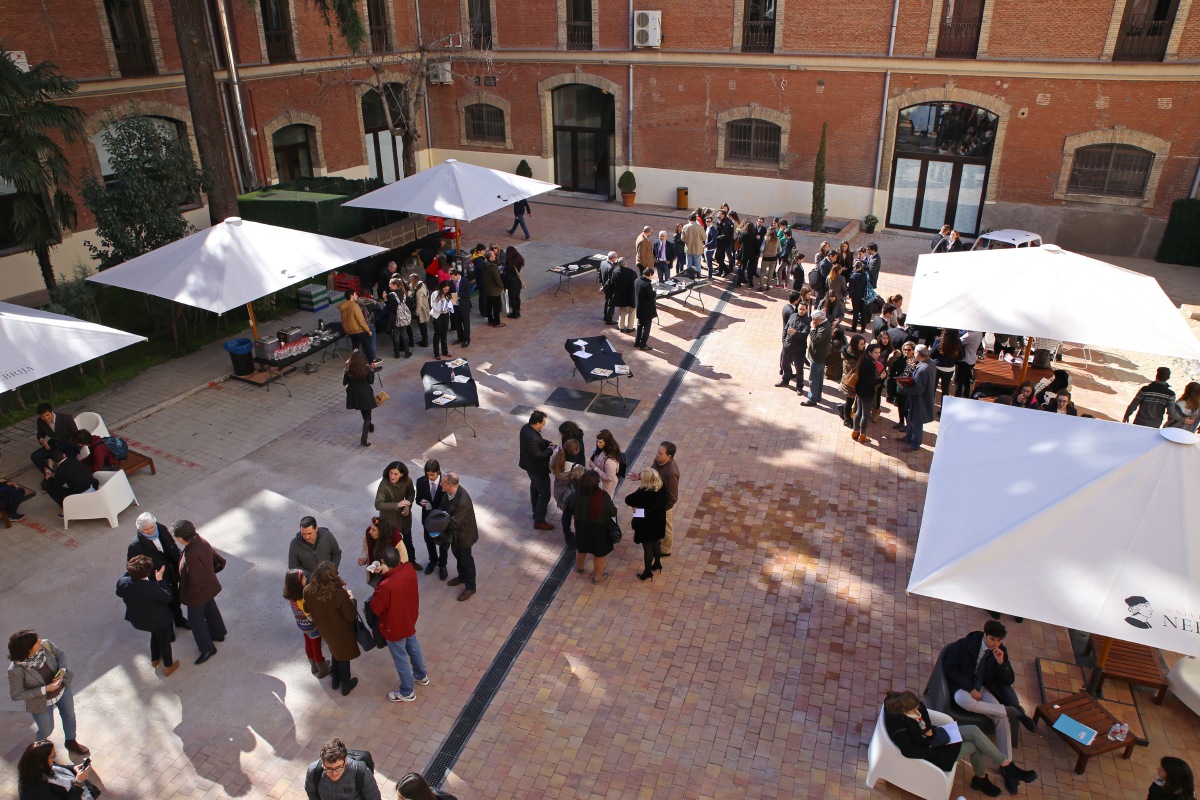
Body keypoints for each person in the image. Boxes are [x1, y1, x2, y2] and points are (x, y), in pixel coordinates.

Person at [883, 690, 1036, 797]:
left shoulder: (914, 705)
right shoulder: (899, 726)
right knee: (975, 746)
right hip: (932, 753)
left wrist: (930, 730)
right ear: (903, 709)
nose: (918, 711)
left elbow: (926, 718)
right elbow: (909, 751)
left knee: (974, 731)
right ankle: (982, 778)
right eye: (914, 710)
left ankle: (1006, 765)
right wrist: (931, 748)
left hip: (936, 737)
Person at [942, 619, 1037, 764]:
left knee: (1001, 718)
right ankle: (1012, 711)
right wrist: (970, 688)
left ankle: (1006, 763)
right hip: (963, 686)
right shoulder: (965, 644)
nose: (995, 644)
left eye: (999, 640)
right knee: (964, 700)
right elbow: (949, 668)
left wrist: (1001, 663)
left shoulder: (1000, 651)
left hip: (984, 689)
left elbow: (1008, 680)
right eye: (992, 639)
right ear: (985, 635)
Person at [7, 631, 89, 756]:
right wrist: (45, 689)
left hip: (62, 689)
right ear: (28, 649)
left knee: (69, 716)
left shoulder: (46, 645)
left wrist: (62, 670)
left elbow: (60, 655)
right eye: (36, 641)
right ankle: (40, 752)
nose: (41, 640)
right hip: (40, 701)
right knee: (46, 729)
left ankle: (71, 741)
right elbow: (16, 694)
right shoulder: (15, 670)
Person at [370, 547, 430, 703]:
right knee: (413, 646)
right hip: (409, 618)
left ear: (383, 562)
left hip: (394, 626)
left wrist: (381, 577)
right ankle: (421, 675)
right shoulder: (408, 568)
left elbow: (376, 607)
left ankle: (407, 691)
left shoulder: (387, 585)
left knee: (400, 658)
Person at [173, 519, 227, 665]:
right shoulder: (200, 541)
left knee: (195, 621)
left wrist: (189, 594)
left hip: (198, 593)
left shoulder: (191, 554)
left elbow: (196, 580)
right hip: (209, 586)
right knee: (210, 608)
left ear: (182, 538)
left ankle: (207, 648)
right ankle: (218, 633)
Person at [303, 562, 361, 696]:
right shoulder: (338, 593)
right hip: (341, 631)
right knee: (343, 656)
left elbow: (307, 609)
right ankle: (346, 684)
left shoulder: (308, 590)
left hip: (324, 629)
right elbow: (351, 615)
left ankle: (335, 679)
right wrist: (351, 599)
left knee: (335, 651)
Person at [115, 555, 178, 676]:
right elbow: (167, 598)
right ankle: (169, 666)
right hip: (159, 621)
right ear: (148, 572)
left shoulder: (123, 582)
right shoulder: (151, 587)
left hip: (139, 621)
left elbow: (119, 592)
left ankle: (155, 659)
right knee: (164, 642)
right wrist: (161, 580)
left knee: (155, 634)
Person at [127, 512, 189, 628]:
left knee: (175, 599)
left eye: (152, 527)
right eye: (146, 529)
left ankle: (179, 620)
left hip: (171, 573)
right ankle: (168, 629)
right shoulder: (135, 546)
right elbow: (133, 566)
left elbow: (172, 546)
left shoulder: (161, 529)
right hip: (156, 579)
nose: (150, 531)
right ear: (140, 530)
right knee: (164, 604)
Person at [568, 470, 617, 583]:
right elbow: (613, 511)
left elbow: (570, 506)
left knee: (581, 548)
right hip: (600, 529)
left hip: (581, 526)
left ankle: (579, 567)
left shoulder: (576, 495)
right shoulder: (603, 496)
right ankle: (597, 576)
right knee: (599, 553)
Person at [632, 441, 679, 557]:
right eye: (658, 452)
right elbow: (651, 472)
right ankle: (648, 536)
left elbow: (673, 496)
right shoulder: (658, 461)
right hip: (651, 499)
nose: (657, 455)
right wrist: (640, 476)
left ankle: (666, 549)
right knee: (642, 517)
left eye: (661, 453)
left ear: (669, 456)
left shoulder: (671, 472)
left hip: (663, 505)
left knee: (666, 527)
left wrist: (662, 508)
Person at [439, 472, 479, 601]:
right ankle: (462, 577)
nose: (440, 484)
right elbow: (442, 507)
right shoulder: (449, 493)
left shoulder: (462, 501)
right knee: (458, 555)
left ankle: (471, 586)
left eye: (443, 483)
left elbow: (454, 523)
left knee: (466, 560)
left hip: (464, 536)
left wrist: (437, 524)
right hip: (456, 535)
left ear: (450, 485)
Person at [283, 569, 330, 679]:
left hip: (302, 625)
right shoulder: (303, 598)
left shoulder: (291, 595)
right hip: (312, 626)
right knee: (316, 646)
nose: (306, 579)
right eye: (304, 578)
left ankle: (313, 666)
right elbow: (312, 612)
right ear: (298, 583)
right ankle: (321, 668)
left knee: (308, 644)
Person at [16, 739, 99, 800]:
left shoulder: (37, 767)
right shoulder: (36, 790)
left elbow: (57, 767)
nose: (54, 759)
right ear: (41, 762)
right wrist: (78, 783)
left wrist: (73, 768)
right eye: (52, 756)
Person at [305, 738, 381, 800]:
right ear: (323, 763)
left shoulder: (362, 773)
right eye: (329, 769)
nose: (334, 774)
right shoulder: (313, 771)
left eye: (338, 768)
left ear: (345, 761)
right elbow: (312, 793)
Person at [624, 468, 665, 581]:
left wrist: (637, 508)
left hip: (646, 523)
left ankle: (647, 572)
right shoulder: (661, 486)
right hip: (658, 522)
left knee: (647, 548)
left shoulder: (644, 493)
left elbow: (628, 499)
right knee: (655, 543)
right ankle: (657, 563)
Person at [375, 462, 418, 566]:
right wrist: (398, 504)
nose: (392, 476)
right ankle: (394, 567)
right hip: (389, 521)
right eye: (391, 473)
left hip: (404, 519)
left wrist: (408, 505)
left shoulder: (407, 480)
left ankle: (411, 563)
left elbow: (411, 493)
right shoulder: (384, 484)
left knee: (408, 542)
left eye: (395, 474)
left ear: (402, 474)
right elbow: (378, 504)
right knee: (391, 547)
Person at [519, 410, 556, 531]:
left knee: (535, 487)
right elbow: (538, 455)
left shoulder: (526, 428)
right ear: (537, 423)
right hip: (537, 469)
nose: (544, 426)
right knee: (545, 494)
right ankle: (539, 520)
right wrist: (550, 450)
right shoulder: (531, 437)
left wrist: (548, 443)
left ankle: (536, 509)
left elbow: (539, 441)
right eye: (543, 423)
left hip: (530, 467)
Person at [901, 344, 937, 451]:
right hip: (922, 399)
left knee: (916, 422)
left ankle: (915, 444)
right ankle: (908, 438)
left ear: (918, 353)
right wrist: (913, 368)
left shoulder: (923, 370)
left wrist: (904, 389)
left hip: (920, 400)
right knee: (912, 418)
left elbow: (918, 389)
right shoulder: (929, 363)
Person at [415, 459, 447, 578]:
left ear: (438, 472)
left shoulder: (445, 481)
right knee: (429, 541)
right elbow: (418, 498)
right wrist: (420, 502)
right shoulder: (421, 481)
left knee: (443, 544)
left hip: (441, 520)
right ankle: (433, 561)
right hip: (427, 519)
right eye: (427, 474)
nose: (429, 477)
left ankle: (442, 565)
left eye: (432, 474)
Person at [551, 440, 584, 547]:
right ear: (575, 451)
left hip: (558, 491)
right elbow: (581, 481)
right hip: (571, 495)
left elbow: (550, 466)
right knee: (575, 515)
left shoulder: (556, 459)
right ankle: (578, 536)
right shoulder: (576, 467)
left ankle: (567, 535)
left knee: (566, 514)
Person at [30, 404, 79, 475]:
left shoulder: (66, 418)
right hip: (53, 444)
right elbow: (40, 434)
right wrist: (41, 440)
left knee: (67, 463)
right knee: (35, 456)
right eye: (43, 416)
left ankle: (68, 475)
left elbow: (75, 434)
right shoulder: (40, 421)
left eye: (47, 415)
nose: (46, 418)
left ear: (51, 412)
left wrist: (64, 446)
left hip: (68, 444)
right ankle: (50, 474)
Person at [343, 351, 378, 448]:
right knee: (367, 416)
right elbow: (371, 381)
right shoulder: (366, 369)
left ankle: (370, 426)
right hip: (365, 394)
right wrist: (371, 370)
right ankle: (364, 440)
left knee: (365, 413)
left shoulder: (349, 370)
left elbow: (344, 382)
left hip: (355, 395)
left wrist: (345, 371)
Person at [851, 342, 884, 444]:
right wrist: (881, 378)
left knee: (858, 412)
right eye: (875, 353)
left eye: (879, 353)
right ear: (870, 352)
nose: (877, 355)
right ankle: (862, 435)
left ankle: (855, 432)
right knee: (865, 415)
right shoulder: (871, 365)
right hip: (867, 392)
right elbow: (871, 382)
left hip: (860, 390)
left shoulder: (863, 360)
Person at [777, 302, 810, 394]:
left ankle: (799, 386)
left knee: (799, 369)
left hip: (799, 349)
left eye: (803, 309)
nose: (801, 311)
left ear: (806, 310)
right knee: (784, 364)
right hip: (787, 346)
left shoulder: (808, 321)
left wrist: (795, 332)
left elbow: (804, 334)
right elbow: (786, 329)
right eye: (800, 309)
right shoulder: (792, 316)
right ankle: (785, 380)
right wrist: (784, 340)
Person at [802, 310, 833, 406]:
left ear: (819, 320)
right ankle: (817, 396)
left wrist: (812, 328)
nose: (812, 321)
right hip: (820, 355)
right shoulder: (824, 325)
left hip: (818, 357)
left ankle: (812, 398)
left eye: (813, 319)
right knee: (819, 378)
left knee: (814, 378)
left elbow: (815, 339)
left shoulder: (823, 328)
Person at [338, 289, 378, 364]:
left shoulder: (343, 306)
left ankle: (355, 364)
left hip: (350, 331)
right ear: (351, 296)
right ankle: (371, 364)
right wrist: (368, 330)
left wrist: (346, 331)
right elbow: (361, 320)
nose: (357, 296)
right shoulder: (354, 305)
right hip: (358, 331)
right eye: (355, 294)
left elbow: (344, 320)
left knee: (355, 349)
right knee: (368, 347)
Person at [360, 517, 402, 585]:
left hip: (390, 578)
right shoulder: (368, 536)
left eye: (374, 530)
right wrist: (364, 557)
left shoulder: (396, 540)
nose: (370, 531)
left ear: (382, 532)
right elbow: (365, 548)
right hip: (375, 577)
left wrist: (383, 568)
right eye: (371, 528)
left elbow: (403, 561)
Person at [385, 277, 413, 359]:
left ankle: (397, 354)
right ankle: (407, 353)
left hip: (394, 318)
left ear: (394, 285)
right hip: (403, 318)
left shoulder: (391, 295)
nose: (389, 285)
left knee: (396, 334)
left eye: (390, 284)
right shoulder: (404, 293)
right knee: (404, 333)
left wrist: (385, 299)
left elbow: (389, 307)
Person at [590, 429, 622, 499]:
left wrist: (594, 468)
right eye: (597, 441)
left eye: (600, 442)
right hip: (598, 483)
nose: (598, 444)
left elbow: (609, 477)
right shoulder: (600, 450)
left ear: (607, 443)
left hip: (605, 487)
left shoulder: (610, 461)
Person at [430, 280, 456, 359]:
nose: (446, 291)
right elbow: (432, 304)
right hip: (437, 315)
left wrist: (451, 305)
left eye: (447, 290)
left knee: (444, 333)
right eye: (445, 289)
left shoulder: (448, 294)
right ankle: (436, 353)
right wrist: (439, 307)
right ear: (441, 288)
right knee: (437, 333)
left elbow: (452, 304)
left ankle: (445, 351)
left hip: (445, 315)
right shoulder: (435, 293)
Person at [634, 266, 658, 351]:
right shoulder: (647, 284)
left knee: (640, 325)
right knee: (646, 328)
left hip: (639, 307)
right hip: (647, 310)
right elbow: (651, 297)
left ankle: (637, 341)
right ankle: (643, 344)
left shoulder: (637, 280)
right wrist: (654, 291)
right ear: (650, 274)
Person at [612, 256, 638, 333]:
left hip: (620, 295)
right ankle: (630, 327)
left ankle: (621, 326)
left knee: (622, 310)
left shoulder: (615, 272)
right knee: (632, 311)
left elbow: (612, 283)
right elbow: (635, 284)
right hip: (630, 295)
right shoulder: (632, 272)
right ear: (626, 264)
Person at [450, 267, 472, 348]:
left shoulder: (465, 281)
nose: (453, 280)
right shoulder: (451, 282)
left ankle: (467, 339)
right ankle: (460, 337)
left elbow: (467, 295)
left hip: (464, 305)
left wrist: (458, 295)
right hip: (456, 305)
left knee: (466, 323)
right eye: (451, 278)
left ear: (457, 275)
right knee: (457, 323)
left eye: (453, 278)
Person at [408, 272, 430, 348]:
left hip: (421, 310)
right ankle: (424, 340)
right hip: (424, 308)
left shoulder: (419, 290)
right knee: (423, 325)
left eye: (411, 280)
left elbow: (419, 302)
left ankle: (425, 341)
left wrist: (416, 313)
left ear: (414, 280)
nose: (410, 281)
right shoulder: (421, 285)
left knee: (422, 325)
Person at [847, 260, 871, 332]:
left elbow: (851, 289)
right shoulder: (865, 275)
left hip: (856, 297)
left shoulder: (853, 276)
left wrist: (850, 296)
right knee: (863, 312)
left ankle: (854, 328)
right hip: (864, 296)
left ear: (855, 267)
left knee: (856, 312)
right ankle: (863, 329)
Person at [598, 250, 618, 326]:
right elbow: (610, 280)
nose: (616, 259)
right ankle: (609, 320)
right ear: (612, 258)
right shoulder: (611, 268)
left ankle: (606, 316)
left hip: (605, 287)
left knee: (607, 301)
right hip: (609, 288)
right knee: (611, 304)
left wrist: (601, 285)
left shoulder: (602, 263)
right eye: (616, 257)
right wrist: (603, 287)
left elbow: (599, 274)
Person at [504, 245, 525, 318]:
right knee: (517, 297)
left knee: (512, 298)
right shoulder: (519, 260)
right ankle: (518, 311)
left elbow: (508, 276)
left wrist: (506, 286)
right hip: (517, 281)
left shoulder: (509, 263)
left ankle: (514, 313)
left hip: (512, 283)